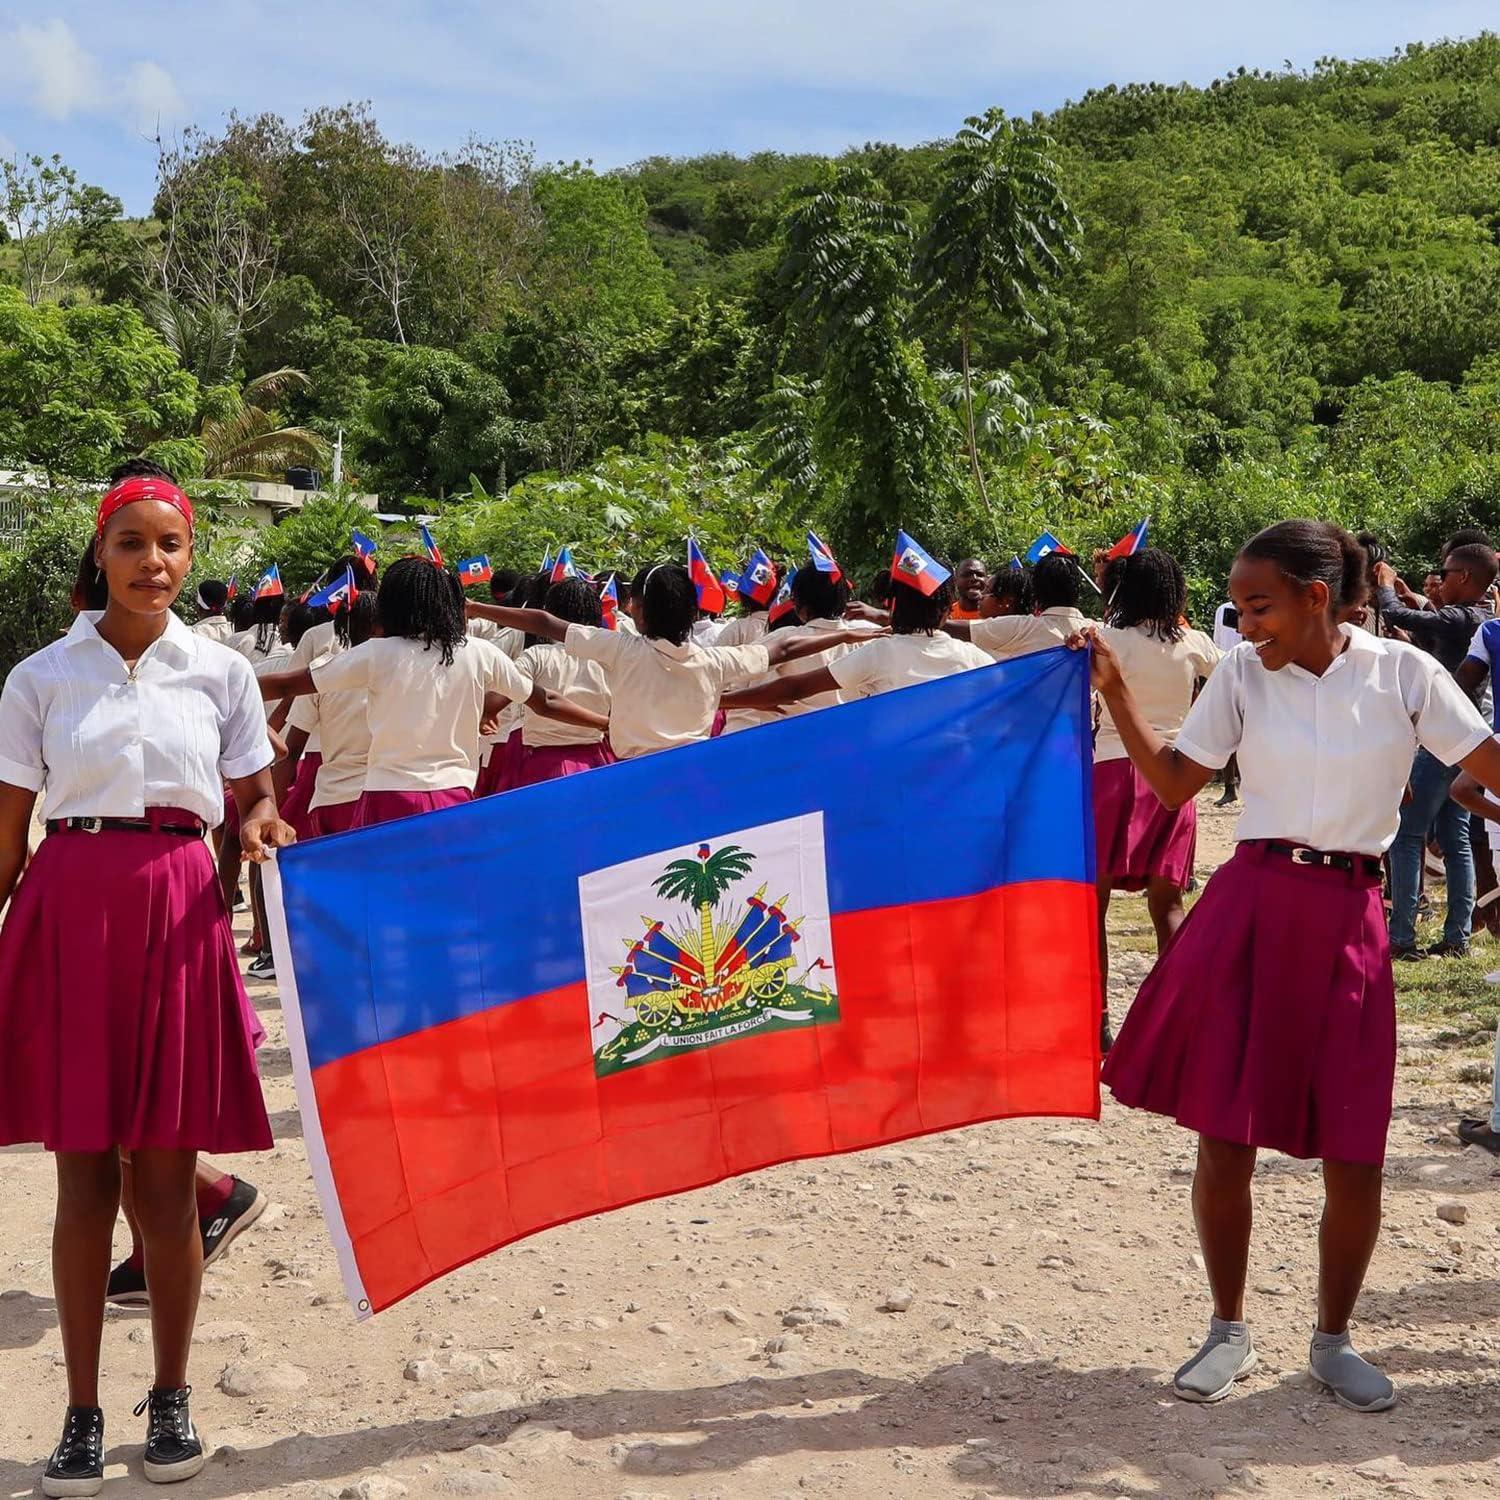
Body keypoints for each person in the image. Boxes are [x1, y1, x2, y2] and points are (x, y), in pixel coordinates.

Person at [1078, 519, 1500, 1415]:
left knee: (1356, 1150)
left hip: (1351, 918)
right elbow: (1175, 783)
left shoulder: (1405, 674)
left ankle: (1332, 1340)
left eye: (1259, 606)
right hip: (1252, 906)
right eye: (1235, 607)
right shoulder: (1235, 675)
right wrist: (1115, 694)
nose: (1244, 623)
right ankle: (1226, 1328)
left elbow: (1488, 763)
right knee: (1225, 1134)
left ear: (1317, 597)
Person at [0, 463, 290, 1494]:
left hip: (176, 911)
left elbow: (250, 794)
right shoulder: (39, 678)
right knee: (83, 1181)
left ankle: (170, 1397)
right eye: (132, 544)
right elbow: (6, 841)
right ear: (101, 552)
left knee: (165, 1185)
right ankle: (79, 1412)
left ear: (189, 555)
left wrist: (258, 823)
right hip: (68, 910)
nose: (152, 563)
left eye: (170, 546)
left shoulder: (220, 674)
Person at [256, 557, 604, 827]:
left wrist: (223, 684)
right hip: (454, 798)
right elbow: (546, 701)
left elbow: (286, 684)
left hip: (386, 799)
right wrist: (605, 724)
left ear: (390, 606)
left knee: (387, 906)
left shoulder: (376, 654)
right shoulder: (480, 653)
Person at [469, 562, 867, 759]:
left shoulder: (620, 649)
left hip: (631, 778)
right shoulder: (715, 662)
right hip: (694, 777)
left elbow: (545, 622)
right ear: (693, 613)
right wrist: (844, 633)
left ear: (637, 610)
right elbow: (781, 649)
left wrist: (475, 607)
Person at [1093, 549, 1220, 1052]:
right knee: (1168, 903)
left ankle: (1096, 1021)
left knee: (1093, 906)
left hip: (1110, 772)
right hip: (1173, 774)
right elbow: (1238, 672)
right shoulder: (1194, 642)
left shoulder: (1107, 639)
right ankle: (1177, 1019)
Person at [1374, 540, 1498, 959]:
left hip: (1442, 738)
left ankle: (1402, 938)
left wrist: (1388, 586)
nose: (1439, 580)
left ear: (1464, 577)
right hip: (1469, 742)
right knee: (1455, 836)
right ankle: (1456, 937)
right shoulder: (1478, 619)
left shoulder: (1471, 618)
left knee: (1407, 834)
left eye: (1444, 574)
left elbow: (1395, 614)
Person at [722, 554, 988, 710]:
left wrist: (719, 702)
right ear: (947, 609)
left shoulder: (881, 650)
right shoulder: (975, 658)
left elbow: (797, 687)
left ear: (892, 606)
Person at [278, 589, 378, 838]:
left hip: (331, 799)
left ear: (341, 628)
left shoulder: (321, 675)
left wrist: (270, 810)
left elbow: (290, 752)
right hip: (381, 797)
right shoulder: (401, 674)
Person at [513, 577, 615, 786]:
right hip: (599, 761)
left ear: (550, 616)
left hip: (543, 767)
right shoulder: (611, 659)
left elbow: (504, 693)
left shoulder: (536, 655)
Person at [948, 553, 1089, 660]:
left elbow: (943, 626)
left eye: (988, 592)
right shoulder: (1096, 634)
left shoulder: (1020, 627)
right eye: (966, 575)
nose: (981, 596)